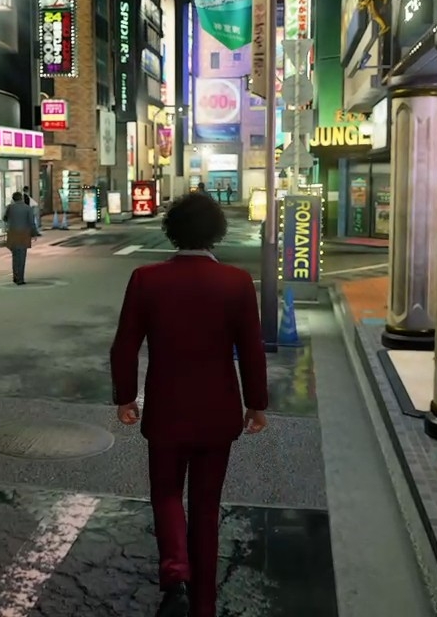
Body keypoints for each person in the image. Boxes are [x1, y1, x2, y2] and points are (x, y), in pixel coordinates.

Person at [110, 192, 268, 617]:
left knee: (165, 494)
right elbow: (251, 350)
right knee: (206, 505)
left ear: (172, 231)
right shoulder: (236, 282)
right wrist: (256, 404)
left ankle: (176, 572)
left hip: (165, 409)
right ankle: (203, 605)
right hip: (218, 411)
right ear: (217, 232)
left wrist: (126, 397)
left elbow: (125, 345)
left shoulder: (146, 279)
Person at [3, 191, 40, 284]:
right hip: (24, 234)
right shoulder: (28, 208)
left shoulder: (10, 207)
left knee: (15, 256)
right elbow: (31, 222)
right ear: (22, 198)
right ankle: (20, 278)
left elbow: (4, 218)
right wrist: (34, 234)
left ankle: (15, 276)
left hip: (13, 234)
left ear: (13, 199)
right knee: (22, 257)